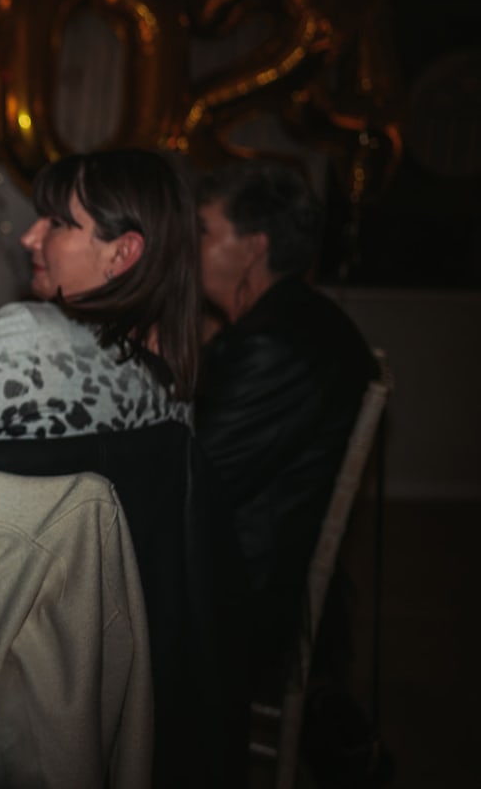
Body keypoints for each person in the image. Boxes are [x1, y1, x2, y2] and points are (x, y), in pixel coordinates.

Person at [195, 162, 378, 694]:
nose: (191, 246)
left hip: (241, 597)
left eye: (205, 231)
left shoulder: (277, 343)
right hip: (250, 567)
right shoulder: (283, 320)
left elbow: (197, 480)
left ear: (253, 246)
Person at [0, 148, 199, 449]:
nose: (29, 237)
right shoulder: (174, 394)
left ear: (121, 253)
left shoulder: (31, 341)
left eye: (58, 223)